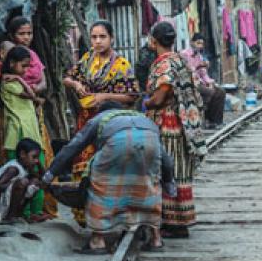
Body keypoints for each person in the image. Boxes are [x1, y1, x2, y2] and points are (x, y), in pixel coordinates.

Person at [43, 101, 175, 253]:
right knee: (148, 184)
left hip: (116, 144)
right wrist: (169, 181)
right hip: (149, 142)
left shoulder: (99, 119)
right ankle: (156, 239)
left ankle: (97, 241)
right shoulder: (144, 118)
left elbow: (73, 146)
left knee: (101, 185)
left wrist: (50, 174)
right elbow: (165, 159)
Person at [62, 20, 139, 226]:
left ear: (112, 38)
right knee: (84, 168)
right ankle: (87, 217)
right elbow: (67, 78)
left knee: (109, 169)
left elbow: (132, 96)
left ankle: (112, 216)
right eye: (94, 37)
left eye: (102, 37)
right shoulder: (87, 60)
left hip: (110, 124)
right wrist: (76, 84)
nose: (97, 41)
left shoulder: (121, 64)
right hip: (86, 121)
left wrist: (103, 97)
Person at [0, 16, 57, 218]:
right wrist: (17, 86)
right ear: (11, 35)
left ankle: (37, 210)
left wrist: (32, 89)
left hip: (32, 121)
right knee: (18, 170)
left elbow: (42, 85)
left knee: (37, 168)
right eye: (21, 33)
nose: (26, 37)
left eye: (29, 33)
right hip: (14, 123)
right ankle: (17, 212)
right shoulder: (3, 66)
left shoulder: (31, 57)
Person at [143, 22, 206, 239]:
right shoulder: (181, 59)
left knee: (169, 170)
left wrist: (145, 103)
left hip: (168, 122)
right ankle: (181, 219)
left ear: (153, 41)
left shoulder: (164, 65)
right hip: (185, 123)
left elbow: (160, 97)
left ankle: (174, 223)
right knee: (180, 170)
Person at [0, 47, 48, 222]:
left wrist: (20, 77)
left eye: (28, 67)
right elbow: (31, 93)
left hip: (31, 134)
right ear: (11, 64)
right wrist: (20, 79)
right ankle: (23, 213)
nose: (26, 70)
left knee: (38, 174)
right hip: (17, 136)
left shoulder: (16, 80)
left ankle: (35, 211)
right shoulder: (8, 82)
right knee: (21, 178)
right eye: (23, 66)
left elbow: (33, 95)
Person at [0, 139, 43, 222]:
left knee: (35, 183)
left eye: (37, 158)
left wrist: (38, 164)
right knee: (23, 183)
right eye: (34, 157)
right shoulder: (13, 168)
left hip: (5, 203)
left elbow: (42, 178)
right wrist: (14, 184)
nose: (36, 160)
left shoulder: (26, 167)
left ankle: (18, 215)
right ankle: (10, 217)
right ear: (23, 154)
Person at [180, 33, 226, 129]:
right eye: (198, 43)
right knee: (211, 93)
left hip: (200, 82)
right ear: (192, 42)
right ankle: (208, 119)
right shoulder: (184, 54)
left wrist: (210, 82)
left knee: (220, 91)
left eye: (201, 44)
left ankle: (216, 121)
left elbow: (203, 74)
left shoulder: (199, 56)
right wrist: (198, 66)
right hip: (190, 83)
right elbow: (188, 71)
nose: (200, 46)